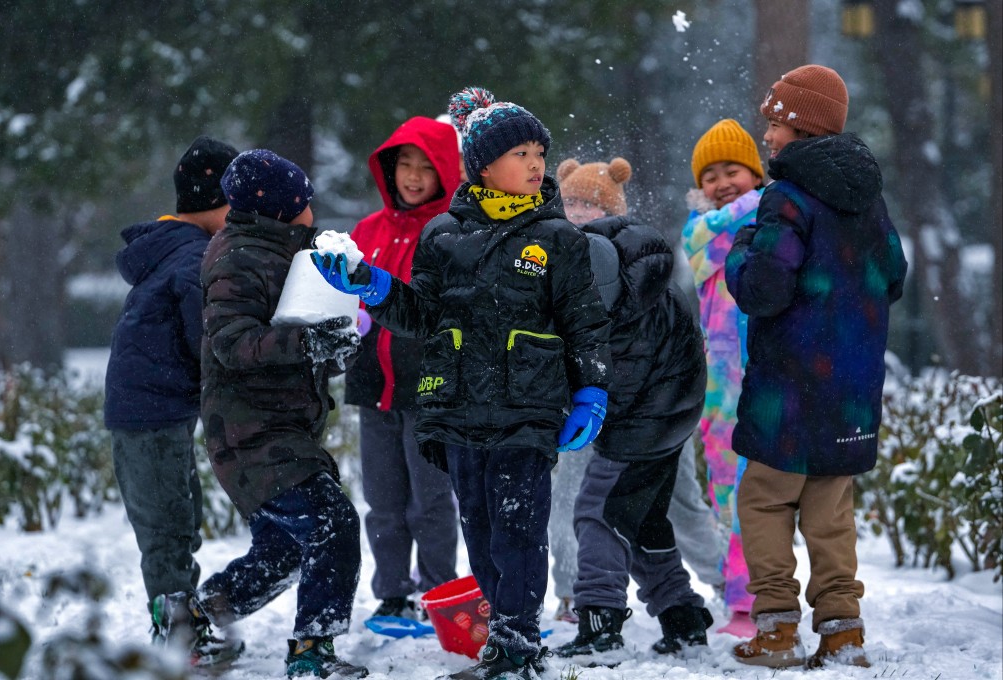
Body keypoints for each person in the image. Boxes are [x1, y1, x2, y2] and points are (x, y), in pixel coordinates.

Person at [313, 86, 613, 680]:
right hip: (457, 409)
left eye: (539, 152)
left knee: (517, 528)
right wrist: (371, 284)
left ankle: (520, 644)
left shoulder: (558, 238)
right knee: (478, 528)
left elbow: (585, 325)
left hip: (527, 409)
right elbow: (422, 316)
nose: (535, 164)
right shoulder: (443, 235)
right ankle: (503, 639)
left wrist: (592, 390)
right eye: (520, 152)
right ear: (481, 165)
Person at [726, 64, 907, 669]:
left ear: (798, 125)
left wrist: (740, 252)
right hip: (851, 387)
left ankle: (776, 628)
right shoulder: (867, 196)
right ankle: (842, 632)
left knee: (764, 500)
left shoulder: (788, 196)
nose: (767, 136)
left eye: (774, 123)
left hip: (790, 387)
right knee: (830, 512)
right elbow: (894, 276)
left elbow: (763, 289)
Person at [194, 149, 367, 679]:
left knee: (287, 551)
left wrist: (335, 343)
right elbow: (233, 343)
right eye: (306, 201)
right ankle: (313, 650)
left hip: (279, 426)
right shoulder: (237, 259)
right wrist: (309, 343)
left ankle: (195, 616)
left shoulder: (284, 251)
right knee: (333, 525)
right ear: (284, 209)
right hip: (249, 432)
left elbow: (299, 333)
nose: (313, 210)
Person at [548, 157, 712, 662]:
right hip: (671, 413)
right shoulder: (639, 262)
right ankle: (681, 616)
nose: (575, 213)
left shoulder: (606, 276)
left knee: (596, 512)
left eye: (587, 204)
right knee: (638, 519)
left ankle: (599, 622)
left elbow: (607, 360)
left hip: (647, 416)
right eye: (569, 201)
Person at [103, 135, 244, 667]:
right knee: (167, 526)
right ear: (217, 204)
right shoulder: (192, 258)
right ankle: (179, 639)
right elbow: (204, 334)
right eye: (237, 208)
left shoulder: (170, 249)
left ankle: (184, 628)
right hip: (151, 414)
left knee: (175, 516)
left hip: (152, 411)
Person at [347, 116, 461, 620]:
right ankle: (392, 596)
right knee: (384, 502)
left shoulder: (451, 233)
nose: (413, 177)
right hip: (373, 388)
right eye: (404, 165)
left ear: (445, 174)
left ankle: (438, 595)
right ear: (388, 170)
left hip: (430, 391)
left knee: (431, 502)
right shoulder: (366, 231)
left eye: (426, 167)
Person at [681, 117, 767, 638]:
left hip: (764, 375)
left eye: (732, 170)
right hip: (718, 386)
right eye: (709, 175)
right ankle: (742, 599)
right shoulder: (699, 232)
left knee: (759, 494)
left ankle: (757, 599)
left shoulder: (774, 220)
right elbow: (704, 252)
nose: (720, 182)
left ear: (754, 172)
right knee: (726, 491)